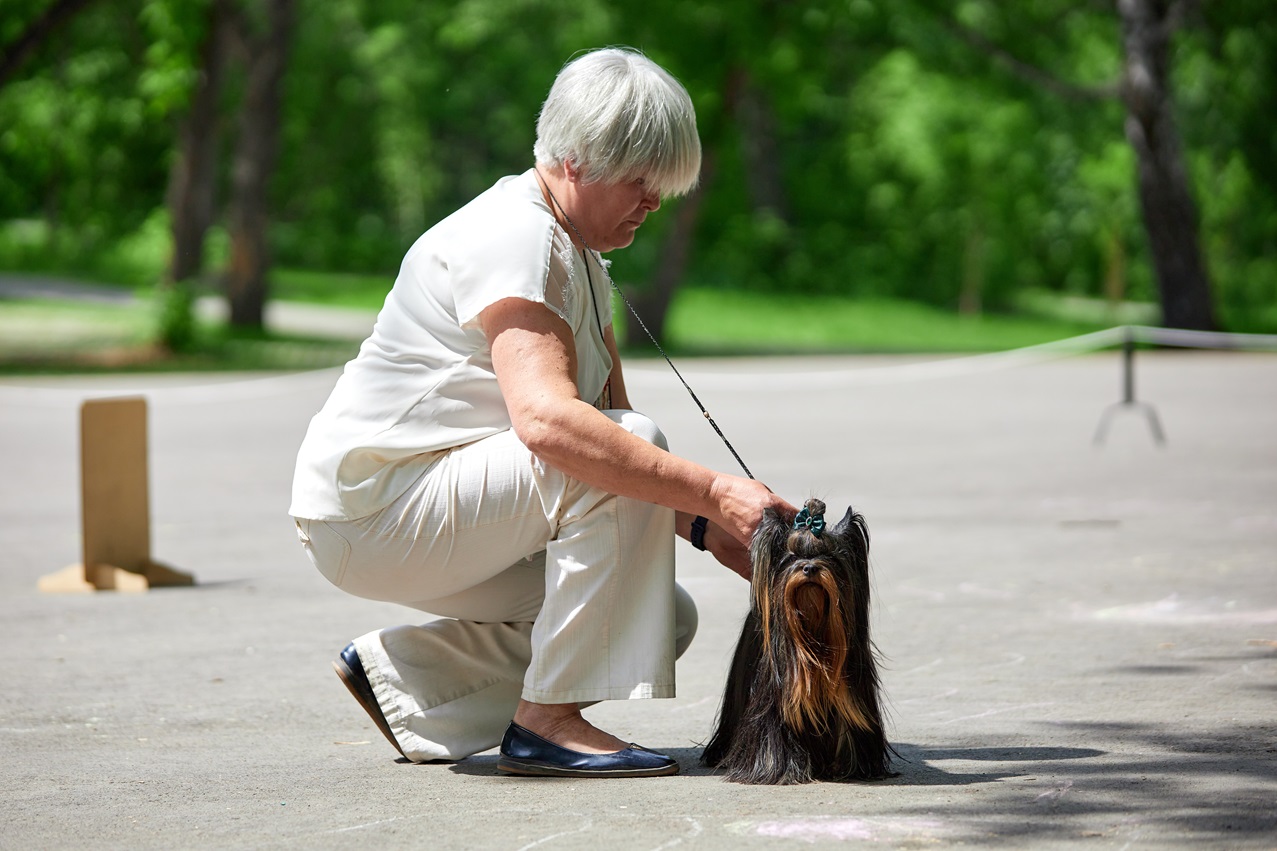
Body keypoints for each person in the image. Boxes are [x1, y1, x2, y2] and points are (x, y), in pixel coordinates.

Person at [289, 46, 794, 778]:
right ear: (576, 161)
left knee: (656, 614)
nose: (654, 202)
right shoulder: (518, 234)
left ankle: (407, 679)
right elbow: (552, 425)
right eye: (641, 180)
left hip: (411, 512)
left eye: (665, 185)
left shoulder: (579, 254)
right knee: (624, 448)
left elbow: (608, 430)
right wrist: (715, 489)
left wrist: (701, 525)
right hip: (375, 510)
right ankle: (546, 724)